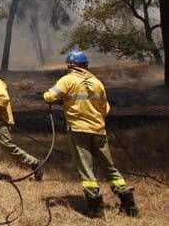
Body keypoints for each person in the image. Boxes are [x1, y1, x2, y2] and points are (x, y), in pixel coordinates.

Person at [43, 51, 139, 218]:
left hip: (79, 131)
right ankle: (128, 203)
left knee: (86, 170)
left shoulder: (67, 80)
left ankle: (95, 208)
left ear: (69, 66)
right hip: (99, 131)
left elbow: (49, 96)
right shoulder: (97, 83)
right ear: (86, 65)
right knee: (109, 168)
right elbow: (106, 109)